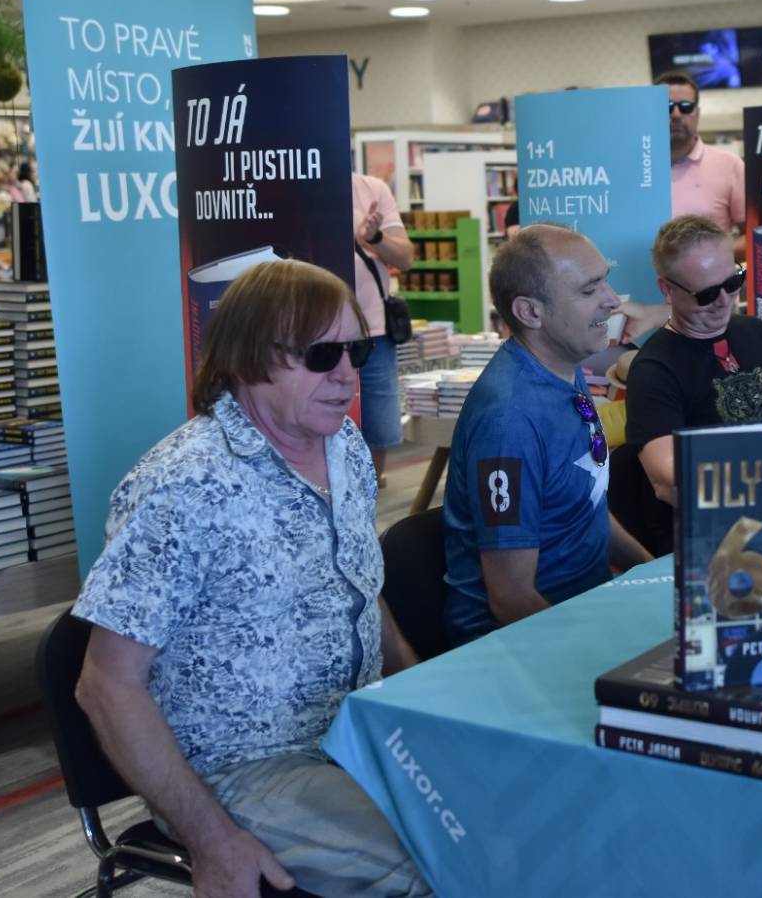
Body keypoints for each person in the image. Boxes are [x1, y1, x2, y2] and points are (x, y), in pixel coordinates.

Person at [72, 259, 431, 898]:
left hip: (356, 729)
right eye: (321, 354)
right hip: (241, 768)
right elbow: (105, 685)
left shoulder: (343, 445)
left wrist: (417, 694)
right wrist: (211, 839)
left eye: (357, 349)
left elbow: (356, 585)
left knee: (504, 814)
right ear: (245, 359)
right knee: (441, 860)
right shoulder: (184, 485)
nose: (347, 374)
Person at [442, 224, 652, 645]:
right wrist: (592, 656)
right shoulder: (509, 421)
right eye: (590, 290)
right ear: (530, 312)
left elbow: (582, 504)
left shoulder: (560, 366)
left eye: (605, 281)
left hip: (583, 614)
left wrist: (656, 574)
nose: (612, 300)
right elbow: (510, 598)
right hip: (521, 645)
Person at [626, 215, 762, 508]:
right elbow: (666, 480)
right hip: (720, 524)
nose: (725, 301)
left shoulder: (754, 330)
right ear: (667, 290)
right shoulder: (654, 369)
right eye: (707, 294)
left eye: (733, 282)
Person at [352, 172, 414, 482]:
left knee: (378, 427)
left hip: (374, 331)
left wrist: (375, 237)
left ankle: (368, 496)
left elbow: (405, 259)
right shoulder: (294, 186)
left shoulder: (371, 189)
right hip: (313, 331)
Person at [658, 70, 746, 236]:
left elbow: (751, 237)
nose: (676, 115)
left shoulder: (730, 166)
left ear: (697, 113)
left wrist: (708, 252)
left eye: (686, 107)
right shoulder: (634, 169)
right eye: (666, 107)